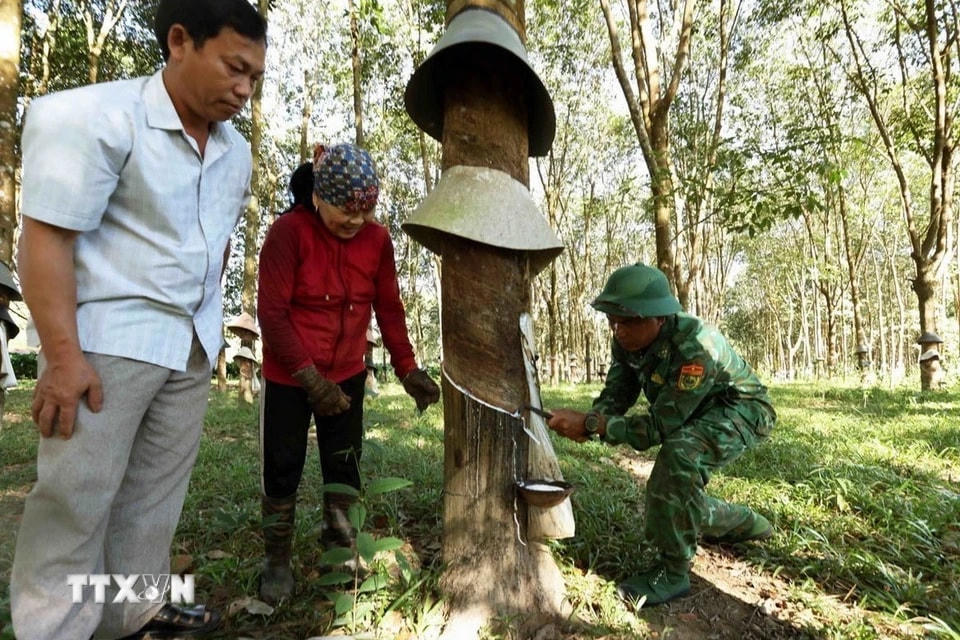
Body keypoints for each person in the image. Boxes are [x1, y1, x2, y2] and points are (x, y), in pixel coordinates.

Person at [9, 1, 266, 638]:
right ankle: (55, 628)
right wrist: (64, 359)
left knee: (153, 497)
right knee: (76, 500)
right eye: (235, 68)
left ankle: (133, 615)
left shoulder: (234, 153)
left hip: (190, 346)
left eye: (255, 78)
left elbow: (218, 242)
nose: (244, 89)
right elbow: (45, 240)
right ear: (180, 41)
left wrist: (208, 337)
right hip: (105, 347)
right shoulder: (94, 117)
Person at [256, 145, 440, 604]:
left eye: (366, 211)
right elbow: (272, 315)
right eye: (346, 211)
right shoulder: (287, 234)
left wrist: (407, 367)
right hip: (289, 376)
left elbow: (390, 308)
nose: (356, 221)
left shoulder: (377, 241)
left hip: (347, 374)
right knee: (283, 465)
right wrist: (310, 380)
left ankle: (338, 550)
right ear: (318, 196)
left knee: (345, 464)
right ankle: (276, 559)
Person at [547, 263, 776, 606]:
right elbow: (617, 393)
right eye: (612, 320)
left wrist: (593, 426)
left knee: (679, 457)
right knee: (680, 490)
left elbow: (659, 426)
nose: (617, 329)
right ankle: (743, 523)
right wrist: (594, 419)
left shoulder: (695, 345)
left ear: (658, 317)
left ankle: (672, 573)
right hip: (693, 409)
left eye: (627, 321)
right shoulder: (625, 342)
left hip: (741, 408)